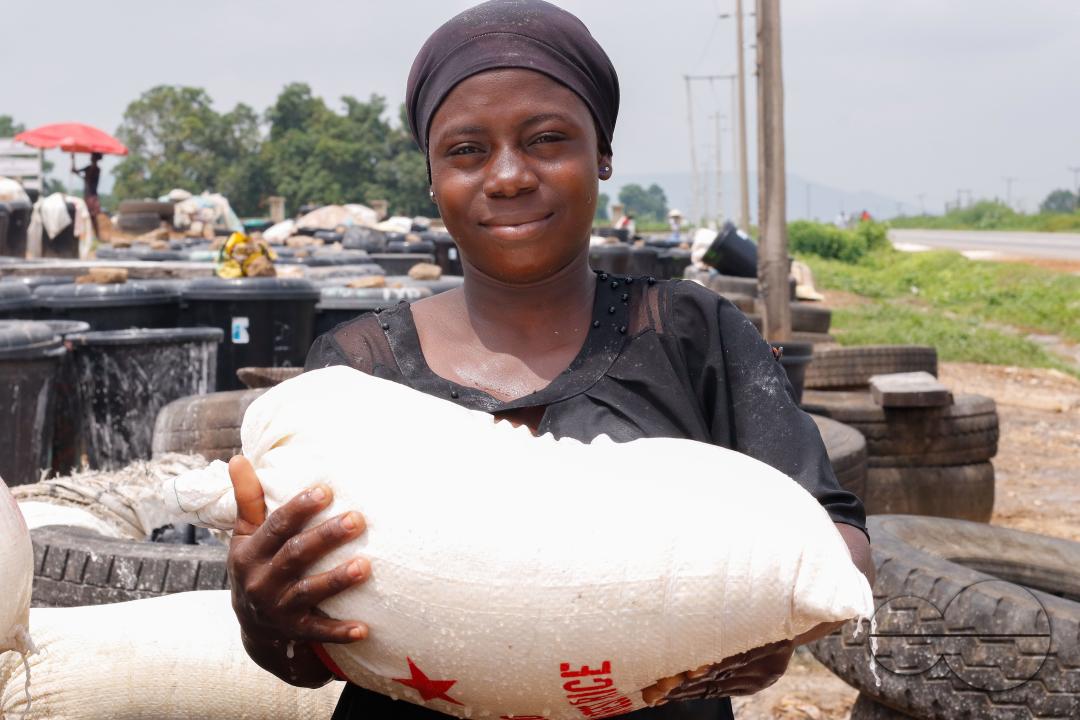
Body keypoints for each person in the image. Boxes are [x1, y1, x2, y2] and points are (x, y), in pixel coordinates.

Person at [225, 2, 873, 719]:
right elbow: (310, 660)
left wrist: (766, 616)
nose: (507, 176)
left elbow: (836, 542)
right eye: (467, 150)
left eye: (546, 139)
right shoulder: (356, 372)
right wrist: (262, 616)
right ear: (432, 175)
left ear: (602, 152)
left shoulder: (690, 336)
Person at [71, 152, 102, 236]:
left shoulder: (96, 169)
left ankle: (96, 235)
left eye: (92, 157)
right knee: (87, 216)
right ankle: (90, 235)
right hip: (88, 195)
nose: (91, 158)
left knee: (93, 216)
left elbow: (87, 178)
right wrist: (73, 159)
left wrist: (81, 175)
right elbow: (76, 171)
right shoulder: (88, 168)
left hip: (92, 195)